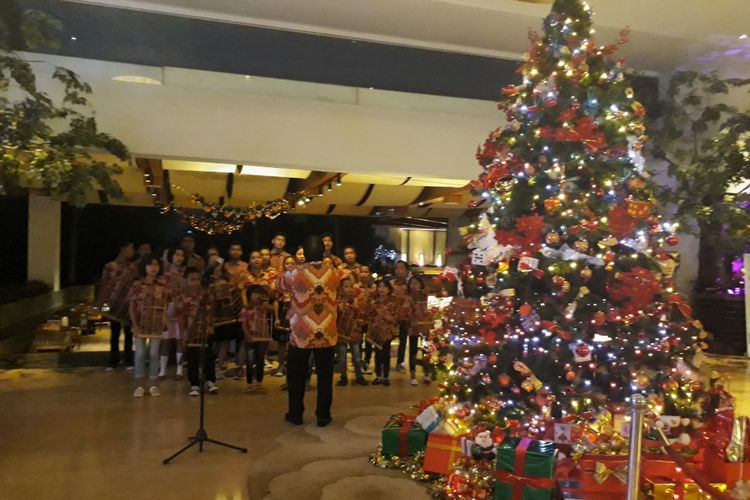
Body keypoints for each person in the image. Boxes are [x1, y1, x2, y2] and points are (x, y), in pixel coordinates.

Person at [279, 235, 342, 427]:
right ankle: (323, 415)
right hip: (327, 333)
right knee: (325, 376)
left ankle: (295, 414)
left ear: (303, 254)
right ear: (323, 253)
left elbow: (278, 286)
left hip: (301, 334)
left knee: (296, 376)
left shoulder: (294, 273)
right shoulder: (333, 272)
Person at [128, 254, 170, 398]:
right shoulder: (138, 285)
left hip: (157, 324)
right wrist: (134, 324)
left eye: (156, 265)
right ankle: (139, 385)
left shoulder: (163, 286)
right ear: (144, 267)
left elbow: (166, 305)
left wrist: (166, 323)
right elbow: (132, 306)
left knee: (153, 354)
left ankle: (153, 384)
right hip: (141, 323)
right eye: (150, 265)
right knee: (140, 354)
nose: (153, 268)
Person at [97, 242, 137, 369]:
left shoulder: (132, 267)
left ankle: (128, 360)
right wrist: (103, 306)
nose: (132, 251)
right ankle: (113, 360)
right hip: (114, 303)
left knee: (128, 334)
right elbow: (104, 286)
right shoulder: (110, 266)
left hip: (127, 303)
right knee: (114, 333)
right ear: (123, 248)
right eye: (130, 248)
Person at [180, 267, 219, 397]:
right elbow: (181, 316)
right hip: (190, 331)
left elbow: (213, 309)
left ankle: (210, 380)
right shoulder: (182, 296)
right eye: (192, 280)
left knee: (208, 356)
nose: (195, 282)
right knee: (192, 359)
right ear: (185, 280)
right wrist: (182, 334)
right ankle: (194, 383)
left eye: (197, 279)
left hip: (205, 329)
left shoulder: (206, 293)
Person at [159, 248, 188, 379]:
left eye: (182, 255)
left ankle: (179, 370)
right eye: (177, 254)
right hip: (167, 309)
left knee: (180, 340)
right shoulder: (164, 275)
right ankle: (162, 370)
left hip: (182, 309)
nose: (179, 258)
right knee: (165, 340)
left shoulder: (186, 274)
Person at [240, 285, 273, 394]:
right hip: (251, 337)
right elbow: (244, 324)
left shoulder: (263, 308)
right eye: (256, 293)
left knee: (260, 360)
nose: (258, 296)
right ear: (250, 295)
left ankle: (259, 382)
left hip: (263, 337)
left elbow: (270, 309)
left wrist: (265, 302)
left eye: (261, 294)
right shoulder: (246, 309)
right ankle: (249, 383)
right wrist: (247, 335)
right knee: (249, 361)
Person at [335, 277, 367, 386]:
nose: (348, 289)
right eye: (346, 286)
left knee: (357, 356)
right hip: (341, 332)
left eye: (350, 286)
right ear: (341, 288)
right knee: (342, 357)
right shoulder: (336, 301)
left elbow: (362, 314)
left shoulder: (356, 299)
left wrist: (355, 306)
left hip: (354, 331)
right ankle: (343, 376)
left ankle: (359, 375)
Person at [367, 279, 398, 386]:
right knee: (378, 354)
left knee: (386, 354)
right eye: (380, 286)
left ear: (389, 289)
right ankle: (378, 375)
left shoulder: (393, 302)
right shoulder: (374, 302)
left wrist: (389, 318)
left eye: (384, 287)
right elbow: (370, 317)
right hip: (376, 332)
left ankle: (386, 376)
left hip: (387, 332)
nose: (381, 289)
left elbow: (395, 317)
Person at [273, 255, 296, 377]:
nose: (290, 265)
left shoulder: (300, 278)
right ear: (284, 265)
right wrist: (276, 317)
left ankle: (293, 366)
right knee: (282, 342)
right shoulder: (279, 279)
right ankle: (281, 365)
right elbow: (276, 300)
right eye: (287, 263)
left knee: (294, 341)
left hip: (296, 313)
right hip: (283, 312)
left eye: (292, 263)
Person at [407, 275, 432, 386]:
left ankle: (426, 372)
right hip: (413, 326)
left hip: (425, 326)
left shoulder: (425, 295)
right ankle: (412, 374)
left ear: (421, 284)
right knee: (413, 349)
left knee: (426, 349)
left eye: (416, 283)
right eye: (412, 283)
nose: (414, 286)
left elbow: (430, 309)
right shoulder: (407, 297)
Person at [391, 260, 411, 372]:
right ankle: (384, 362)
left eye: (401, 268)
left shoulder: (410, 285)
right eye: (397, 268)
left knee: (403, 340)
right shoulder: (391, 284)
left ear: (407, 271)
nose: (398, 270)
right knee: (388, 339)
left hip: (404, 317)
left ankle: (400, 362)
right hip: (391, 316)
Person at [357, 265, 376, 374]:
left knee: (369, 342)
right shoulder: (355, 287)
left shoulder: (373, 288)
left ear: (369, 273)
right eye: (361, 272)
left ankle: (367, 362)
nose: (363, 274)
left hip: (370, 319)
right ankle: (358, 362)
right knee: (358, 342)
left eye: (366, 272)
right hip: (359, 319)